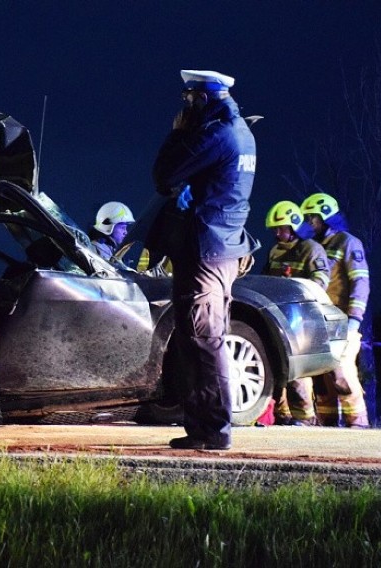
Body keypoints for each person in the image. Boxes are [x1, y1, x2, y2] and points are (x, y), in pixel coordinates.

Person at [152, 69, 259, 450]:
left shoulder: (218, 134)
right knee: (199, 337)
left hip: (205, 250)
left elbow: (164, 174)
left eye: (189, 100)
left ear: (204, 97)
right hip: (221, 248)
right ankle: (203, 428)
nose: (186, 107)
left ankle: (214, 430)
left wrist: (178, 132)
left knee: (202, 339)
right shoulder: (241, 132)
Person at [300, 192, 370, 427]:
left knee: (342, 374)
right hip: (317, 321)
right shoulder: (313, 247)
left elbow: (361, 283)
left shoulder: (348, 243)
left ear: (326, 217)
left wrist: (354, 320)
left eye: (313, 217)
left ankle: (358, 425)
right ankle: (327, 428)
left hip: (341, 321)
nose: (309, 223)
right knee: (321, 379)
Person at [262, 200, 330, 426]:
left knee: (298, 372)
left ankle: (306, 419)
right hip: (279, 317)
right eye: (275, 229)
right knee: (277, 368)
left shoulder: (311, 249)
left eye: (281, 228)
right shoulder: (275, 251)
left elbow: (321, 280)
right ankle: (283, 416)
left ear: (294, 227)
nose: (277, 233)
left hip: (303, 318)